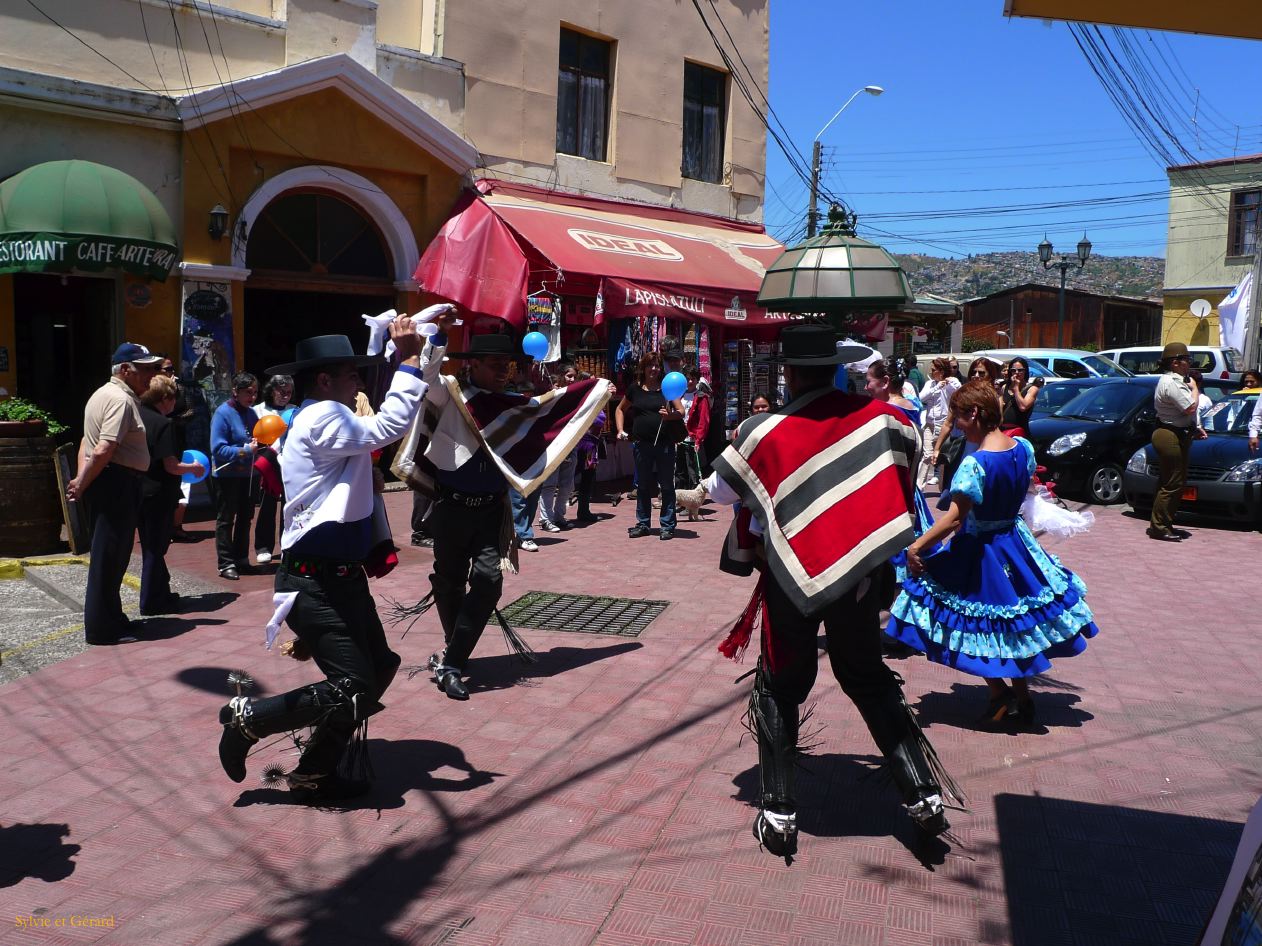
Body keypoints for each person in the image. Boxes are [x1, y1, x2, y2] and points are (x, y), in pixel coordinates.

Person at [694, 325, 960, 863]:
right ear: (838, 367)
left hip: (792, 582)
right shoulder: (888, 422)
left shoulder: (761, 430)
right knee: (866, 676)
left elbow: (722, 493)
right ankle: (923, 794)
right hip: (861, 579)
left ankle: (778, 809)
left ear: (788, 372)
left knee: (781, 683)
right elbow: (902, 488)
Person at [215, 319, 431, 804]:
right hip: (313, 581)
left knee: (377, 668)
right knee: (354, 682)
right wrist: (411, 360)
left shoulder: (322, 414)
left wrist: (403, 349)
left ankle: (314, 771)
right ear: (326, 381)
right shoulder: (321, 417)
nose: (359, 381)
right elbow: (388, 426)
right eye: (349, 374)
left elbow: (377, 419)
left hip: (337, 578)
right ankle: (250, 718)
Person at [392, 330, 611, 700]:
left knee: (489, 582)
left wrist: (595, 389)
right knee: (448, 582)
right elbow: (427, 375)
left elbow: (550, 410)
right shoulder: (451, 393)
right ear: (472, 365)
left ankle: (451, 660)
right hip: (451, 508)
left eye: (506, 366)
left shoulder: (512, 406)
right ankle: (455, 649)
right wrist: (438, 336)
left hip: (491, 511)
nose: (503, 372)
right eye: (494, 366)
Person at [886, 380, 1098, 725]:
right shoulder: (1022, 448)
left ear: (974, 413)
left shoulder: (976, 464)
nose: (955, 426)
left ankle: (1001, 693)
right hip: (1016, 545)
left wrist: (916, 545)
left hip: (981, 550)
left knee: (972, 618)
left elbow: (956, 518)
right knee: (1010, 623)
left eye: (958, 418)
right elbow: (1027, 490)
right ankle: (1021, 697)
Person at [68, 343, 163, 645]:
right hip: (118, 483)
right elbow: (104, 447)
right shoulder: (119, 399)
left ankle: (113, 618)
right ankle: (101, 629)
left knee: (114, 556)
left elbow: (87, 440)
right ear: (125, 370)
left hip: (114, 481)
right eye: (145, 369)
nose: (152, 375)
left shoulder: (102, 395)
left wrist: (82, 477)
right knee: (108, 558)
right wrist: (82, 480)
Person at [137, 375, 205, 615]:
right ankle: (150, 602)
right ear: (164, 398)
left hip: (140, 491)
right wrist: (195, 468)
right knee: (156, 548)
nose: (175, 403)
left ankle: (161, 592)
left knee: (149, 545)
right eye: (174, 398)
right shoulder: (163, 424)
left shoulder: (136, 416)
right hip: (160, 493)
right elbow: (172, 465)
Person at [614, 351, 685, 540]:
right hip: (641, 444)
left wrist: (668, 416)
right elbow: (620, 409)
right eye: (650, 365)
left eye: (657, 366)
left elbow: (681, 411)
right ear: (643, 368)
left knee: (667, 485)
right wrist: (620, 430)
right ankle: (643, 523)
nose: (653, 369)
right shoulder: (634, 389)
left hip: (665, 445)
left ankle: (667, 525)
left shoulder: (666, 388)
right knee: (643, 485)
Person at [1148, 342, 1205, 542]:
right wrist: (1195, 388)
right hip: (1169, 434)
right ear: (1175, 363)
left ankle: (1164, 523)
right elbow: (1189, 407)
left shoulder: (1175, 380)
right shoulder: (1172, 382)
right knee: (1172, 482)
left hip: (1177, 432)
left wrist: (1195, 427)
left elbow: (1186, 414)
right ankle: (1159, 527)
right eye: (1186, 360)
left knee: (1173, 482)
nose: (1189, 364)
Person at [210, 372, 260, 580]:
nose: (252, 397)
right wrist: (246, 450)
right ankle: (226, 563)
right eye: (248, 393)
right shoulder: (223, 413)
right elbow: (217, 448)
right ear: (235, 392)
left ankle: (241, 559)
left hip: (249, 474)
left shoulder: (252, 413)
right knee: (226, 519)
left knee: (245, 518)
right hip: (227, 476)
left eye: (255, 393)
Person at [252, 374, 295, 565]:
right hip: (268, 463)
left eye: (289, 392)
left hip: (289, 463)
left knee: (290, 506)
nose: (285, 395)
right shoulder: (258, 411)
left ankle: (288, 545)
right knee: (267, 506)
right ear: (271, 390)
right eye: (281, 391)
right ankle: (263, 547)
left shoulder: (295, 410)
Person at [538, 362, 580, 533]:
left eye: (574, 377)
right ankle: (545, 519)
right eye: (569, 376)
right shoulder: (552, 395)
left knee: (566, 485)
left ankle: (559, 516)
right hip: (553, 446)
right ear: (562, 375)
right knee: (549, 484)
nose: (572, 379)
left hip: (570, 444)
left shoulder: (577, 396)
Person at [919, 357, 959, 487]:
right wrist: (935, 387)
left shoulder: (951, 382)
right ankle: (919, 487)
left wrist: (947, 383)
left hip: (944, 425)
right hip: (930, 424)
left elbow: (959, 391)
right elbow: (921, 397)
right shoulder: (929, 384)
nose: (931, 372)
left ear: (941, 371)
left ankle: (945, 486)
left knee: (944, 457)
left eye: (933, 370)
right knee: (927, 456)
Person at [1000, 356, 1042, 437]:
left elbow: (1023, 407)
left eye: (1020, 370)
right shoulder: (1004, 387)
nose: (1016, 372)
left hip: (1020, 432)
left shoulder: (1032, 389)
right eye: (1013, 370)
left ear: (1025, 371)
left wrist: (1016, 388)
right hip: (1004, 431)